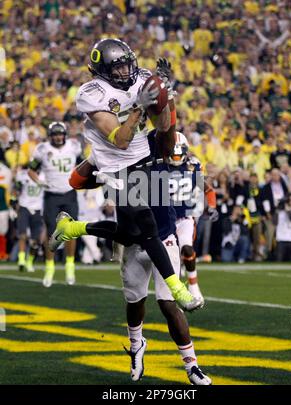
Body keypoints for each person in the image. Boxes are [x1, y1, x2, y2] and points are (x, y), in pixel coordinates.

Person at [50, 39, 201, 311]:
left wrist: (164, 98)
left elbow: (164, 126)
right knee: (149, 226)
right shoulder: (91, 92)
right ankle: (180, 290)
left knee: (129, 235)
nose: (126, 71)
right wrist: (140, 106)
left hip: (144, 160)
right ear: (102, 70)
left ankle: (71, 228)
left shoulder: (142, 78)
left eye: (127, 64)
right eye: (118, 67)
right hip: (114, 167)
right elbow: (120, 140)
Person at [121, 130, 211, 385]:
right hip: (135, 243)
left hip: (164, 238)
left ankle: (192, 365)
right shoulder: (120, 165)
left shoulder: (165, 164)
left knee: (167, 302)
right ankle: (136, 345)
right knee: (135, 300)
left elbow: (166, 125)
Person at [28, 121, 82, 287]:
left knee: (71, 232)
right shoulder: (42, 149)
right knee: (52, 234)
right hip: (51, 195)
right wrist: (39, 182)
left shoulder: (74, 146)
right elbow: (31, 170)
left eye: (60, 134)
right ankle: (49, 268)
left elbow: (82, 165)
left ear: (64, 134)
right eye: (55, 134)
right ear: (50, 136)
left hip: (69, 193)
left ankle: (69, 266)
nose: (58, 137)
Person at [168, 131, 218, 301]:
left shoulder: (193, 165)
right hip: (164, 218)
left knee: (187, 249)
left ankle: (194, 285)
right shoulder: (158, 164)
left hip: (184, 217)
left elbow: (208, 189)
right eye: (172, 154)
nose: (175, 158)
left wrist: (211, 206)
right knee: (168, 258)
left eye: (178, 154)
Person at [14, 166, 44, 272]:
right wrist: (15, 197)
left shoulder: (45, 175)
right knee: (22, 235)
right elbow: (16, 190)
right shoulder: (23, 174)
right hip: (24, 207)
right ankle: (21, 260)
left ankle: (29, 261)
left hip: (38, 209)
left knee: (35, 240)